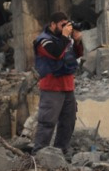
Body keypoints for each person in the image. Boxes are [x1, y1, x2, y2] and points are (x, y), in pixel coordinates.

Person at [33, 12, 84, 154]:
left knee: (68, 122)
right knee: (47, 122)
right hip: (51, 88)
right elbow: (55, 53)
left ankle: (60, 152)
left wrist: (78, 40)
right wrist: (65, 37)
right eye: (62, 25)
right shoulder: (43, 40)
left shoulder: (66, 39)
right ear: (53, 24)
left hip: (68, 87)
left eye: (66, 25)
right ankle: (39, 154)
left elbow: (77, 54)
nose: (65, 28)